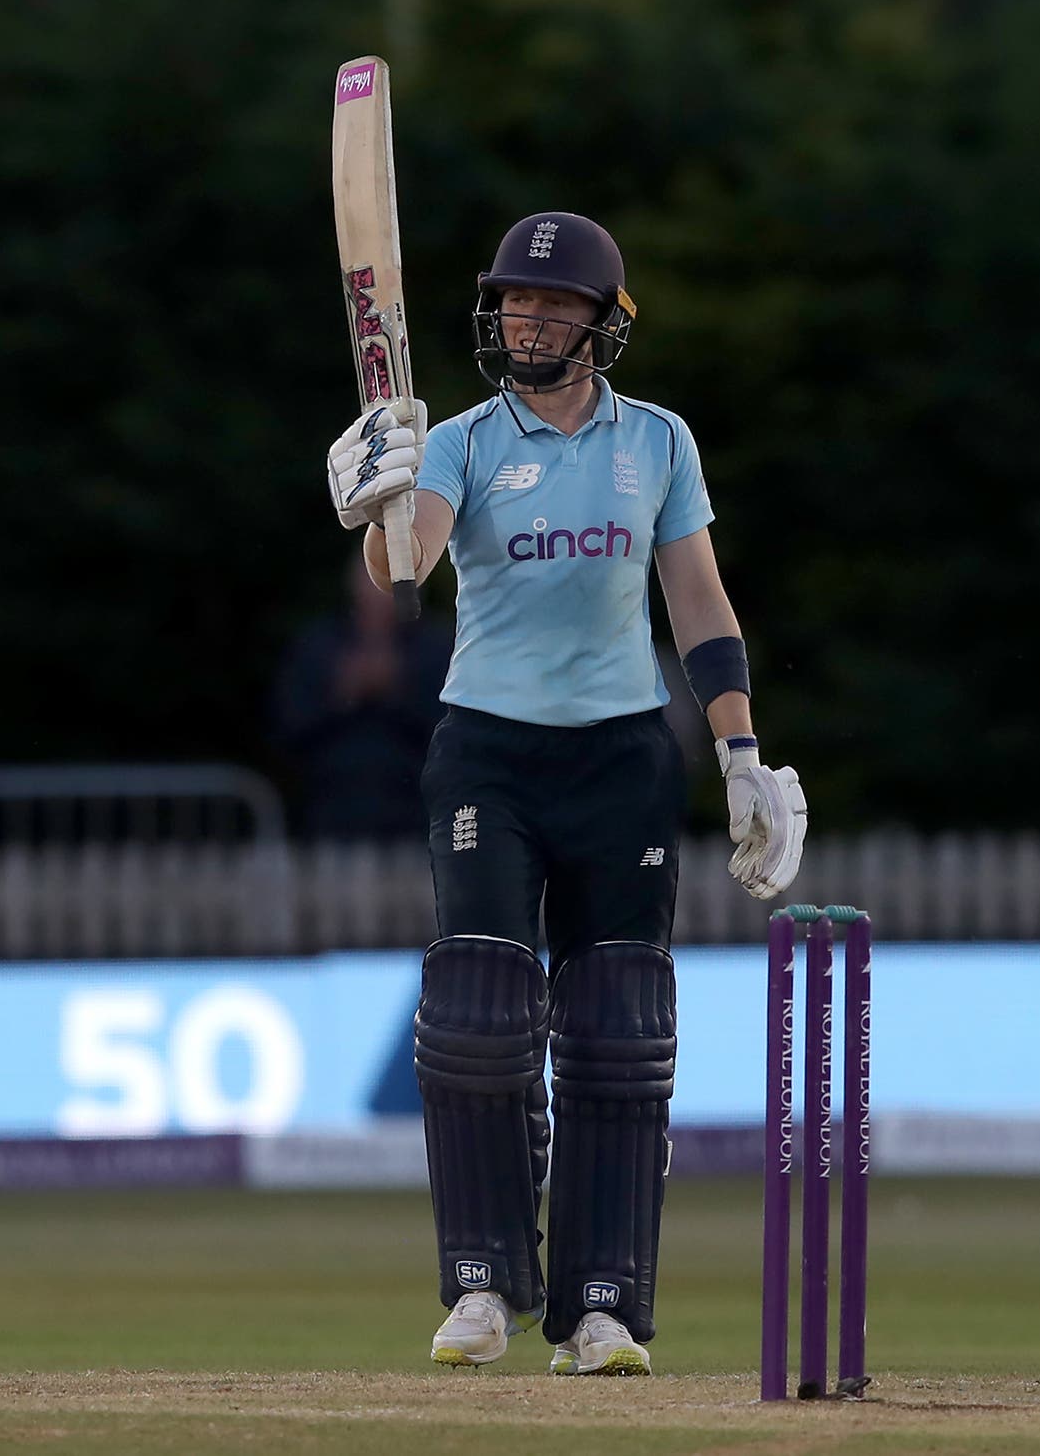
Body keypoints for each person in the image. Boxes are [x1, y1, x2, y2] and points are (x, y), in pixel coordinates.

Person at [326, 212, 807, 1376]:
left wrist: (741, 752)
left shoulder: (659, 442)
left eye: (551, 306)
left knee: (616, 1033)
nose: (526, 320)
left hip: (623, 754)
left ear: (602, 322)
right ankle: (485, 1286)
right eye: (513, 302)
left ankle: (602, 1307)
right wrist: (374, 497)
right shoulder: (459, 441)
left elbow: (697, 600)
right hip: (488, 748)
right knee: (482, 1017)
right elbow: (406, 567)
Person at [269, 555, 451, 840]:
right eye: (374, 579)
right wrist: (341, 696)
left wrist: (398, 690)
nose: (381, 594)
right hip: (331, 812)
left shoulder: (435, 649)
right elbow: (288, 727)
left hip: (416, 815)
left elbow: (454, 733)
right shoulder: (319, 647)